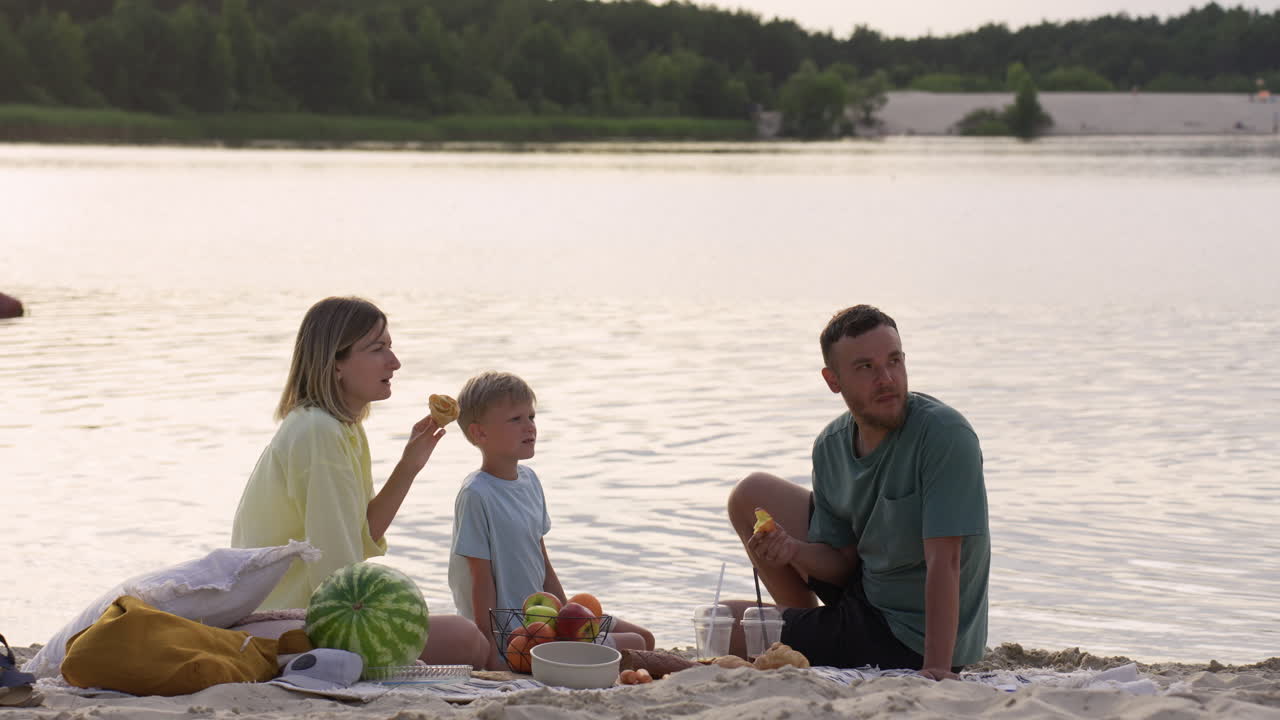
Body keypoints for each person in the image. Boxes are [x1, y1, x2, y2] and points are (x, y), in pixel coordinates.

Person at [725, 305, 990, 679]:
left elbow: (945, 562)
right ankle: (803, 633)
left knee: (726, 624)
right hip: (865, 587)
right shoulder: (830, 445)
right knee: (751, 493)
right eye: (865, 367)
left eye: (894, 361)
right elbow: (841, 563)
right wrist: (793, 550)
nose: (887, 378)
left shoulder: (945, 436)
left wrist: (936, 669)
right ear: (833, 380)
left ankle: (805, 641)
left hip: (911, 635)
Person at [231, 296, 488, 667]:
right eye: (377, 349)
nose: (394, 362)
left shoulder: (343, 428)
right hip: (282, 622)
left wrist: (408, 465)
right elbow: (336, 568)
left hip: (317, 609)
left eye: (390, 347)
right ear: (335, 363)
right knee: (468, 640)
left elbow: (360, 535)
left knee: (466, 637)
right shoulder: (318, 432)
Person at [448, 371, 655, 669]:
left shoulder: (530, 481)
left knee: (643, 636)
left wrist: (568, 615)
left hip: (544, 619)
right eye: (515, 419)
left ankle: (571, 648)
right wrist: (490, 647)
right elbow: (480, 579)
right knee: (635, 646)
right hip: (513, 633)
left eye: (531, 416)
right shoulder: (476, 494)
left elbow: (542, 561)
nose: (529, 426)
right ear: (480, 433)